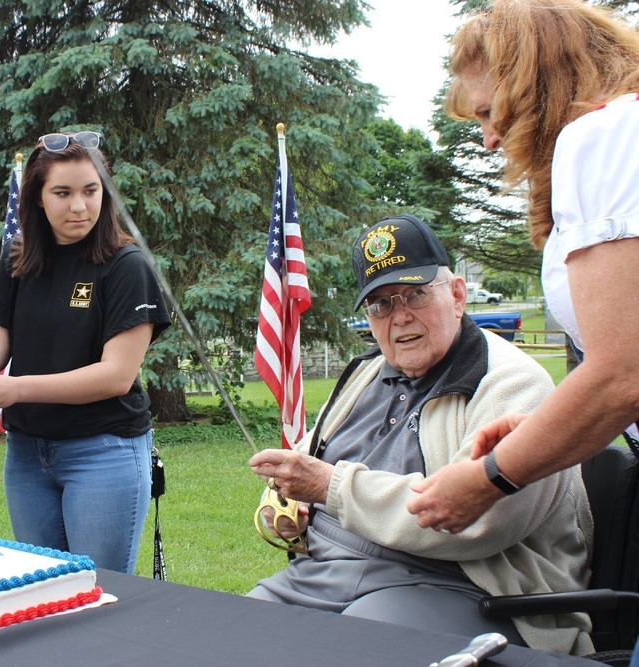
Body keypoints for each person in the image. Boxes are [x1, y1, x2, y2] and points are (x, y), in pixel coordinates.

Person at [248, 214, 594, 655]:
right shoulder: (366, 373)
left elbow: (480, 520)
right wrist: (288, 492)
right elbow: (312, 455)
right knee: (236, 637)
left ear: (457, 295)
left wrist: (329, 487)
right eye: (381, 304)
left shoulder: (511, 384)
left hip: (463, 585)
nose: (401, 316)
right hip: (322, 574)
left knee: (344, 651)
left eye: (415, 293)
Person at [406, 0, 639, 538]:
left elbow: (622, 374)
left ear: (532, 83)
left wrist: (487, 479)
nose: (488, 138)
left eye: (489, 112)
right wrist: (550, 429)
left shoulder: (603, 135)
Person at [0, 132, 171, 574]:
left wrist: (16, 389)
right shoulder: (18, 259)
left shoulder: (126, 266)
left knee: (97, 594)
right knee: (43, 592)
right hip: (27, 454)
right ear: (38, 198)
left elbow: (115, 375)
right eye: (62, 193)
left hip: (104, 450)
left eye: (91, 190)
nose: (79, 206)